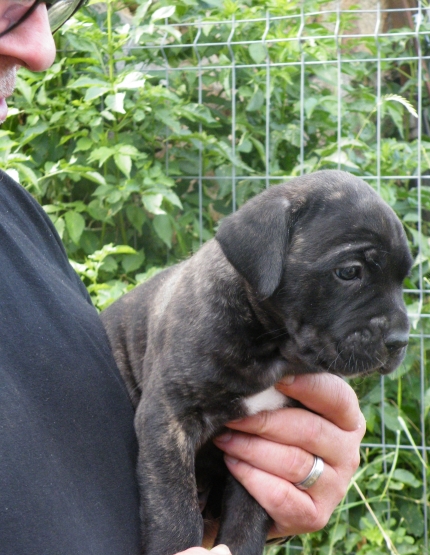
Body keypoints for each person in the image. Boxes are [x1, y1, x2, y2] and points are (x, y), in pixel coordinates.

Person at [0, 1, 366, 554]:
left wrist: (235, 513)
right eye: (7, 8)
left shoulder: (18, 219)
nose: (41, 49)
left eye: (49, 4)